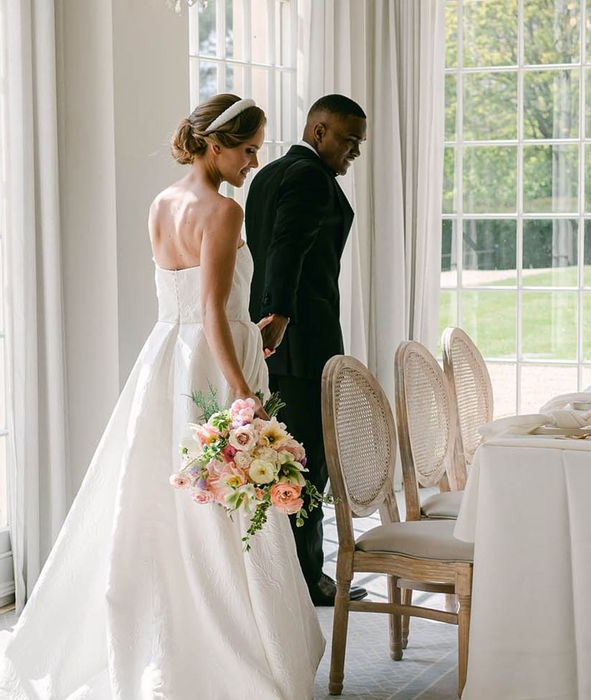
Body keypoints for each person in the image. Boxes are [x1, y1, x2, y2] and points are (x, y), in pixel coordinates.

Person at [0, 94, 324, 700]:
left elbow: (187, 305)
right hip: (211, 364)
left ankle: (162, 630)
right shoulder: (222, 213)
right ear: (216, 146)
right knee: (221, 506)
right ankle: (230, 644)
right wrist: (243, 393)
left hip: (165, 359)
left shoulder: (162, 203)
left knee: (158, 503)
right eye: (247, 150)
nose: (253, 162)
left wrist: (262, 327)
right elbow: (214, 314)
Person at [245, 94, 368, 607]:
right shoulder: (310, 178)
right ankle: (306, 577)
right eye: (348, 140)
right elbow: (287, 249)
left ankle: (284, 574)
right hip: (300, 344)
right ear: (318, 131)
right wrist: (282, 316)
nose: (354, 153)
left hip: (276, 341)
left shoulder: (268, 175)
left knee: (280, 460)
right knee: (305, 462)